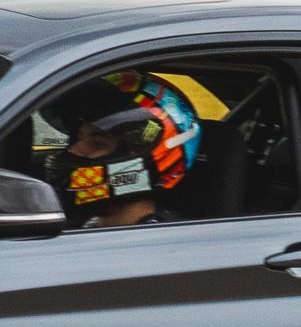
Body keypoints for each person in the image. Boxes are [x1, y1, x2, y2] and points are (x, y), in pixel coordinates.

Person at [40, 70, 202, 227]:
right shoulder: (77, 227)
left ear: (136, 155)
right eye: (78, 137)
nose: (74, 150)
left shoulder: (159, 243)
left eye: (97, 143)